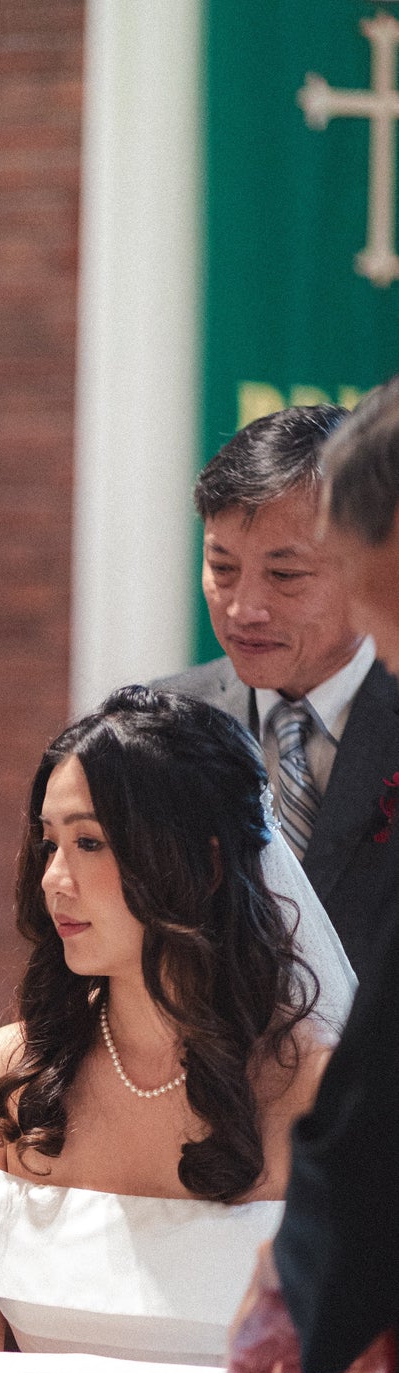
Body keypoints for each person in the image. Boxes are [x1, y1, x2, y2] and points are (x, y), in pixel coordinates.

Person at [0, 687, 349, 1365]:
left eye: (89, 842)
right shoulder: (3, 1080)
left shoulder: (321, 1092)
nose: (53, 878)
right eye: (48, 843)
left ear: (205, 861)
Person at [220, 373, 399, 1373]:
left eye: (300, 569)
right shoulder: (177, 720)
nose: (248, 605)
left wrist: (316, 1267)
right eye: (225, 567)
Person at [157, 404, 399, 988]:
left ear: (362, 562)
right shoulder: (162, 728)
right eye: (222, 567)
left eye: (285, 575)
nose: (244, 609)